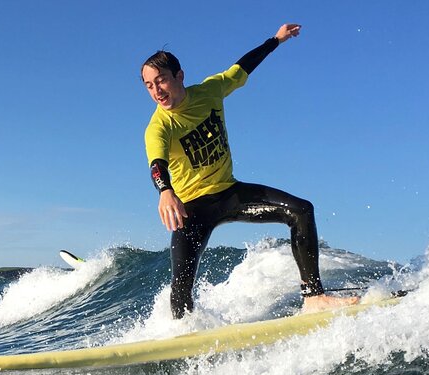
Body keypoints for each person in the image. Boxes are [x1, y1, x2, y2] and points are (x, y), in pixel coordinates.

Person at [141, 23, 359, 319]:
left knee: (301, 210)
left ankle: (314, 296)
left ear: (179, 76)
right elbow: (157, 163)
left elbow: (242, 68)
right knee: (181, 287)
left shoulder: (210, 91)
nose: (156, 91)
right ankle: (181, 334)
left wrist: (276, 40)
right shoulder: (159, 126)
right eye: (149, 85)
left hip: (231, 193)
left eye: (161, 80)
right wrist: (165, 191)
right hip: (192, 208)